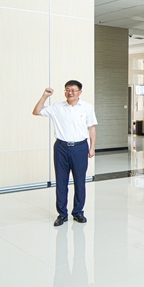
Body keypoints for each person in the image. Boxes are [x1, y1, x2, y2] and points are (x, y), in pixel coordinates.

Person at [33, 80, 97, 226]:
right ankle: (62, 214)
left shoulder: (87, 107)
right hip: (61, 148)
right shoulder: (57, 107)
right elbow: (36, 111)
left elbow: (91, 128)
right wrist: (44, 96)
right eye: (67, 90)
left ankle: (78, 212)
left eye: (73, 90)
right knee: (61, 182)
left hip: (80, 147)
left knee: (80, 181)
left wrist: (92, 147)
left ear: (80, 92)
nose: (70, 92)